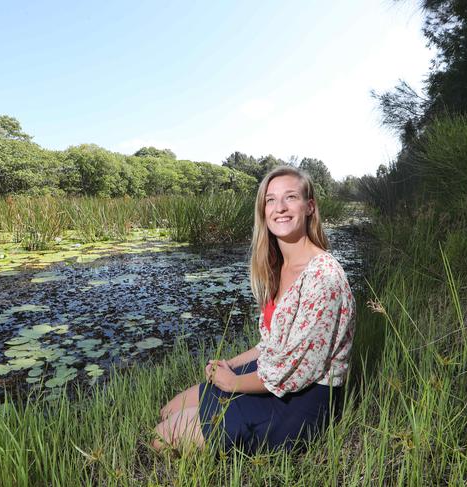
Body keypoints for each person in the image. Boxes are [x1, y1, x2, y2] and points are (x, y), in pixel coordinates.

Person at [152, 165, 355, 454]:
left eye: (290, 198)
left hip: (300, 401)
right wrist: (231, 364)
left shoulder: (324, 277)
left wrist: (233, 383)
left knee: (161, 438)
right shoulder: (279, 265)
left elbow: (295, 371)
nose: (280, 208)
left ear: (309, 207)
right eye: (270, 200)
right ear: (263, 210)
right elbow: (271, 344)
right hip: (271, 373)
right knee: (169, 409)